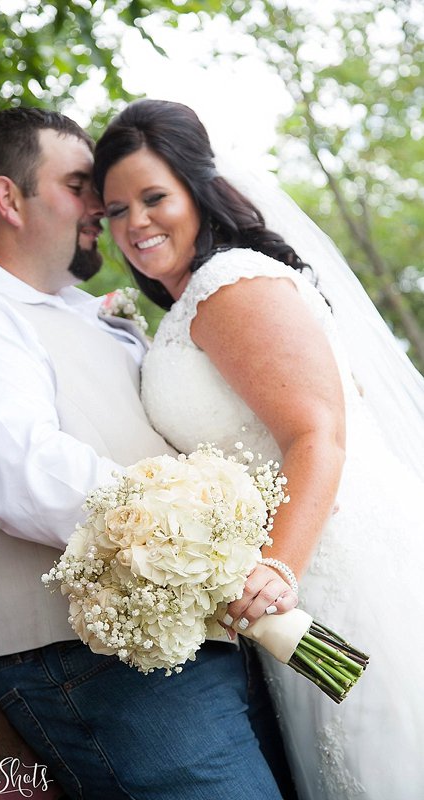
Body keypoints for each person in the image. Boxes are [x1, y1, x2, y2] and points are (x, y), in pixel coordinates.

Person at [0, 107, 295, 800]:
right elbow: (16, 469)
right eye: (81, 185)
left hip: (201, 635)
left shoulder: (86, 311)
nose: (101, 207)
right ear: (8, 198)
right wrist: (201, 536)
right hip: (90, 663)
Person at [93, 98, 424, 800]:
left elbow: (317, 432)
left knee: (388, 753)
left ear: (197, 189)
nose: (135, 224)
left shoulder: (231, 283)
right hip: (286, 597)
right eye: (116, 210)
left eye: (154, 197)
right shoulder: (190, 307)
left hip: (335, 567)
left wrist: (278, 567)